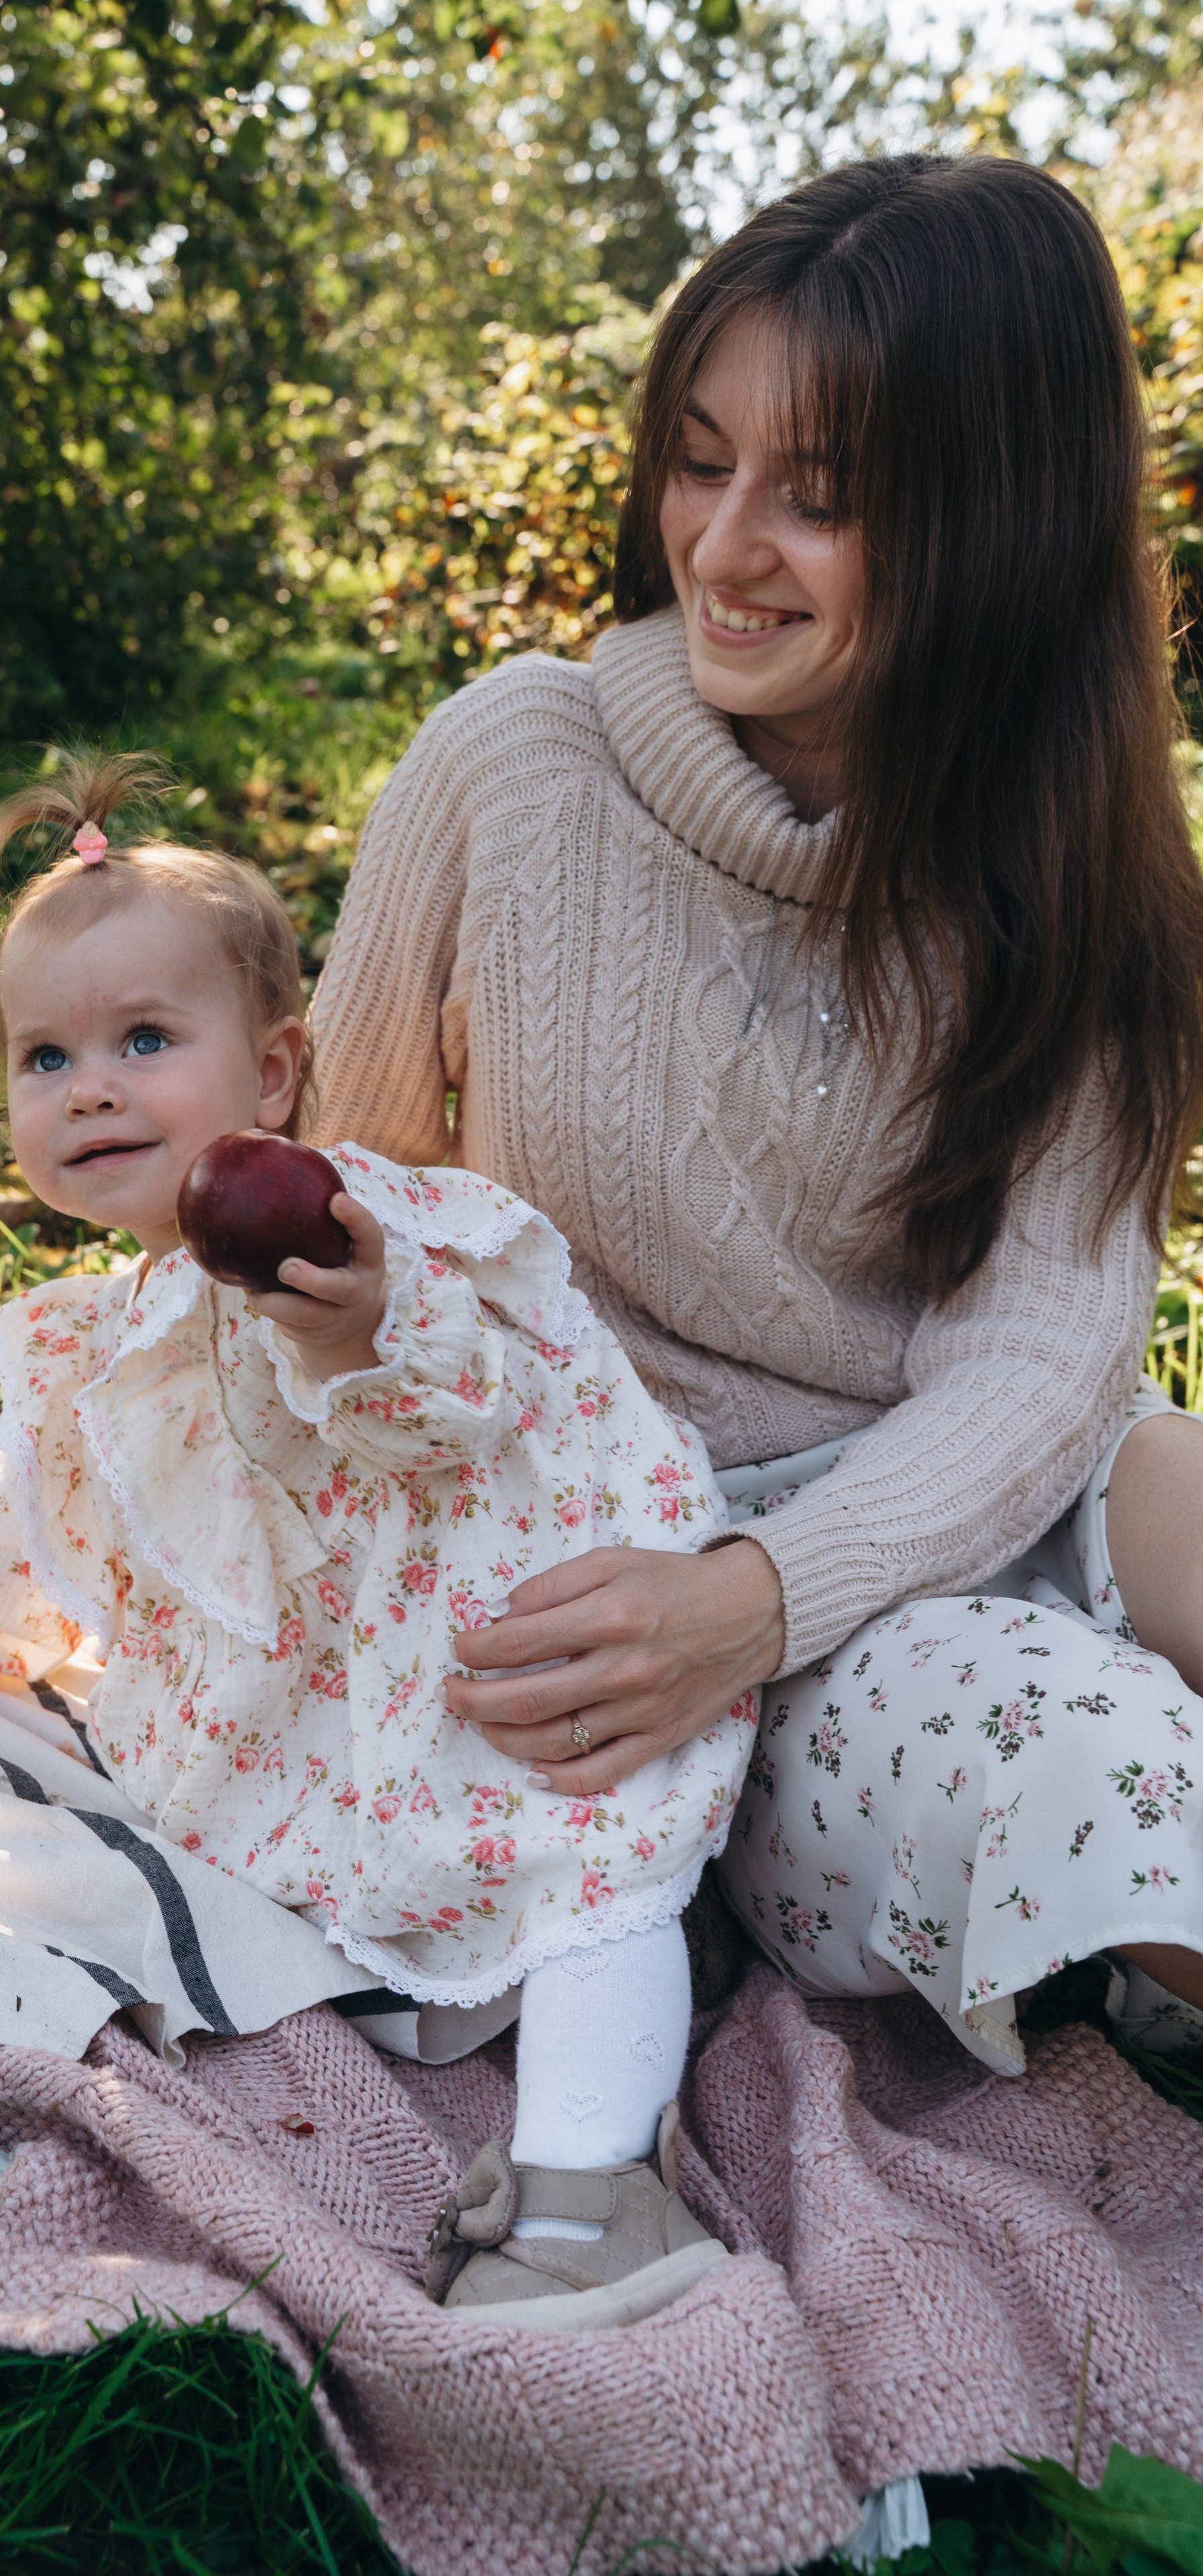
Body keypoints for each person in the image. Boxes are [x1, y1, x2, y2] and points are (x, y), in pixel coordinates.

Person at [309, 151, 1203, 2076]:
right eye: (699, 459)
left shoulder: (1078, 868)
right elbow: (337, 1247)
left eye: (825, 496)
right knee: (1093, 1764)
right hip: (660, 1572)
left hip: (938, 1480)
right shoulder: (508, 769)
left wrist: (782, 1577)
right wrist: (717, 1607)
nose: (722, 545)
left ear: (1004, 525)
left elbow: (1046, 1353)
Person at [0, 753, 758, 2326]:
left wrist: (350, 1336)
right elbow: (59, 1486)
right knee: (317, 1867)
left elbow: (458, 1398)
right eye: (44, 1055)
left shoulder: (355, 1238)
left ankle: (591, 2193)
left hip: (506, 1632)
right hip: (339, 1664)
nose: (90, 1088)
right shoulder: (114, 1316)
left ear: (271, 1074)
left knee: (580, 1875)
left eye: (145, 1040)